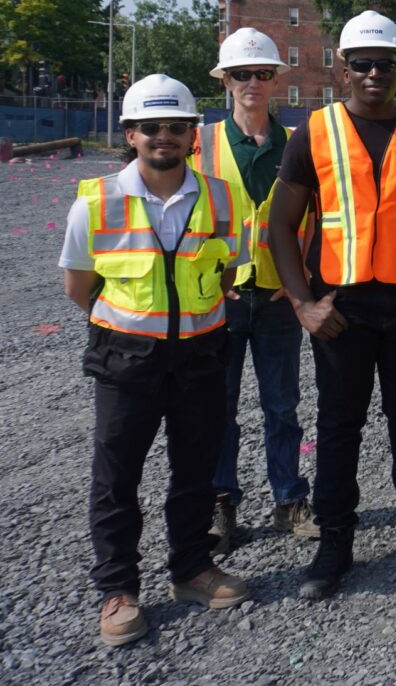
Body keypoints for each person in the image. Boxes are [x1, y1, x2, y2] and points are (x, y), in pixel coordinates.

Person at [269, 11, 396, 599]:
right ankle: (336, 542)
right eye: (363, 63)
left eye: (385, 62)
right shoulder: (314, 132)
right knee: (338, 426)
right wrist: (304, 304)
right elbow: (280, 226)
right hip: (340, 310)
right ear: (343, 67)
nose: (374, 72)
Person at [59, 74, 249, 647]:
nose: (163, 136)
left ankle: (191, 569)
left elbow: (229, 267)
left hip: (200, 356)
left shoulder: (221, 197)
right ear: (130, 133)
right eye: (151, 127)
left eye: (176, 127)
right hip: (126, 362)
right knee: (117, 478)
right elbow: (79, 286)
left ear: (194, 134)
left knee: (195, 471)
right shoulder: (95, 202)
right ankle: (119, 590)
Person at [196, 28, 317, 553]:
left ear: (276, 82)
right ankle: (222, 503)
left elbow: (315, 221)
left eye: (262, 74)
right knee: (216, 407)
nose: (252, 83)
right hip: (218, 297)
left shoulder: (295, 146)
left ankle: (289, 499)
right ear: (225, 81)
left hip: (275, 297)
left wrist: (299, 282)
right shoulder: (199, 143)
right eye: (241, 74)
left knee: (282, 404)